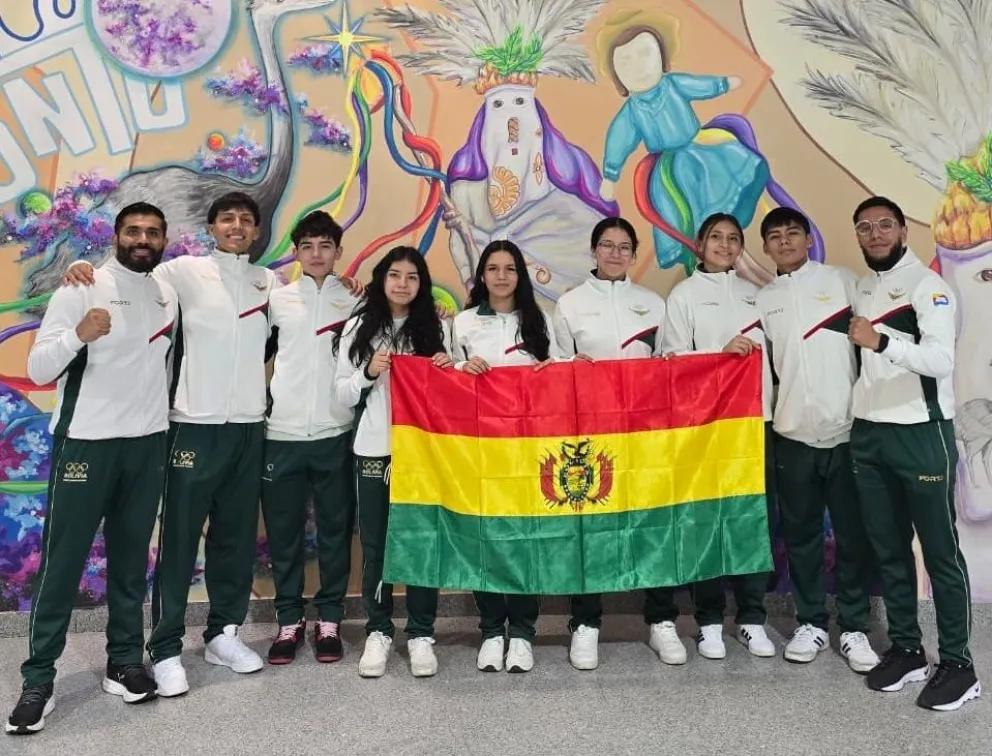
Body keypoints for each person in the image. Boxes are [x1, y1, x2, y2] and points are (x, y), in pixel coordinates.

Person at [63, 192, 275, 696]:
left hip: (249, 425)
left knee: (235, 537)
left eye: (246, 220)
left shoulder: (270, 282)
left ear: (257, 230)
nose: (237, 227)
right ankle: (165, 648)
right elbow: (124, 276)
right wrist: (79, 265)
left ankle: (224, 633)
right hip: (192, 425)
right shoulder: (180, 273)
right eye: (228, 219)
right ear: (211, 227)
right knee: (180, 540)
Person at [7, 203, 176, 735]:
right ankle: (38, 680)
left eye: (152, 232)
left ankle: (124, 664)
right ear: (117, 236)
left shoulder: (166, 291)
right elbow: (37, 367)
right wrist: (79, 333)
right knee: (62, 567)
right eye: (134, 231)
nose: (143, 239)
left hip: (145, 445)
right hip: (85, 444)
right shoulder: (80, 287)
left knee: (130, 564)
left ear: (164, 239)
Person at [847, 196, 980, 711]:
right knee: (890, 548)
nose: (875, 234)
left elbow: (941, 360)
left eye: (885, 225)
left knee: (941, 553)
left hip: (921, 434)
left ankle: (959, 665)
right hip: (870, 435)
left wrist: (882, 341)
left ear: (903, 230)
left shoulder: (929, 286)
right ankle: (907, 649)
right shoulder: (863, 286)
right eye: (865, 227)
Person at [755, 207, 879, 673]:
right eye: (774, 236)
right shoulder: (764, 301)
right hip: (792, 436)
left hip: (847, 431)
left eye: (792, 234)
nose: (784, 242)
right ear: (765, 247)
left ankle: (853, 628)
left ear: (808, 240)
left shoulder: (843, 282)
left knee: (851, 534)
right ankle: (810, 622)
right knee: (802, 536)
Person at [551, 217, 673, 670]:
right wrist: (569, 367)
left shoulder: (653, 303)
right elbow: (556, 367)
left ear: (634, 253)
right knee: (590, 530)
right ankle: (585, 623)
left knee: (652, 524)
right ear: (594, 251)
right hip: (590, 439)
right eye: (607, 245)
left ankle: (660, 619)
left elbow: (670, 365)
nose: (616, 254)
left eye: (625, 247)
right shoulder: (570, 305)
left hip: (644, 436)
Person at [659, 212, 776, 660]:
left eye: (733, 239)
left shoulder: (756, 296)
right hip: (704, 428)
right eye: (716, 238)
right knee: (705, 521)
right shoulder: (684, 295)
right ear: (700, 245)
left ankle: (751, 617)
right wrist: (720, 353)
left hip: (754, 425)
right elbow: (671, 359)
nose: (725, 246)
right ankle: (708, 620)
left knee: (749, 519)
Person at [334, 246, 452, 679]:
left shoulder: (437, 328)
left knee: (423, 541)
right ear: (382, 279)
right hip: (373, 450)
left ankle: (421, 632)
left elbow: (454, 395)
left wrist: (446, 366)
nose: (403, 284)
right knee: (377, 544)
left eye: (413, 277)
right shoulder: (357, 328)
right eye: (395, 275)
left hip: (422, 453)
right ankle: (379, 630)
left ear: (422, 284)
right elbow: (341, 394)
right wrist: (366, 373)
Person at [451, 239, 561, 673]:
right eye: (493, 268)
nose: (501, 276)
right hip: (478, 450)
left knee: (524, 541)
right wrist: (462, 369)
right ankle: (492, 630)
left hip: (529, 451)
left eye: (510, 268)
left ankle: (525, 633)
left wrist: (557, 369)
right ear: (482, 275)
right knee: (486, 540)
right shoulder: (462, 323)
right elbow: (443, 376)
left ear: (520, 274)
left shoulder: (540, 322)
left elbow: (561, 373)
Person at [262, 211, 358, 665]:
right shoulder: (277, 301)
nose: (316, 254)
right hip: (280, 435)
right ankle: (288, 620)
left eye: (325, 246)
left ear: (338, 252)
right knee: (284, 534)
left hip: (335, 434)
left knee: (336, 532)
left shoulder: (357, 302)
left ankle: (330, 619)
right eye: (307, 247)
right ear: (296, 253)